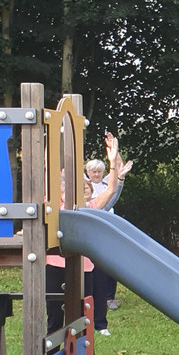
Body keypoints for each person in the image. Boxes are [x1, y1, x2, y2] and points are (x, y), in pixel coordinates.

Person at [47, 133, 123, 334]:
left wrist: (113, 162)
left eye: (83, 188)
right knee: (54, 318)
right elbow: (48, 176)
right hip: (55, 264)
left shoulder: (90, 207)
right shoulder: (55, 204)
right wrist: (49, 147)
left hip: (84, 266)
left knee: (83, 317)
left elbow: (111, 190)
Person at [84, 154, 133, 334]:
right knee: (82, 287)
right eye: (93, 171)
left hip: (101, 243)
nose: (96, 174)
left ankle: (100, 324)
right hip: (81, 250)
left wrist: (116, 161)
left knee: (101, 282)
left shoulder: (98, 203)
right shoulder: (74, 202)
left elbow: (112, 195)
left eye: (99, 171)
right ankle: (82, 323)